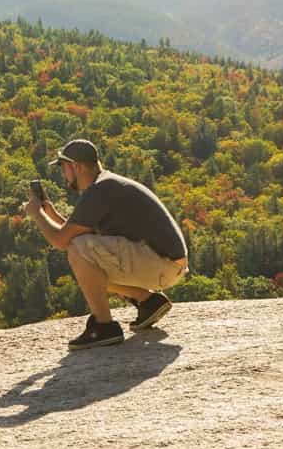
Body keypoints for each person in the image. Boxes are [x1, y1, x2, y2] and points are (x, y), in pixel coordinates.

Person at [25, 138, 188, 349]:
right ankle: (148, 301)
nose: (63, 175)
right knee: (91, 265)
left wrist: (37, 214)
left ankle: (104, 327)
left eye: (64, 168)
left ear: (76, 166)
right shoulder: (105, 184)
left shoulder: (99, 191)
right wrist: (52, 215)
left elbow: (62, 241)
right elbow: (79, 233)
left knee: (79, 251)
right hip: (168, 264)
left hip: (163, 264)